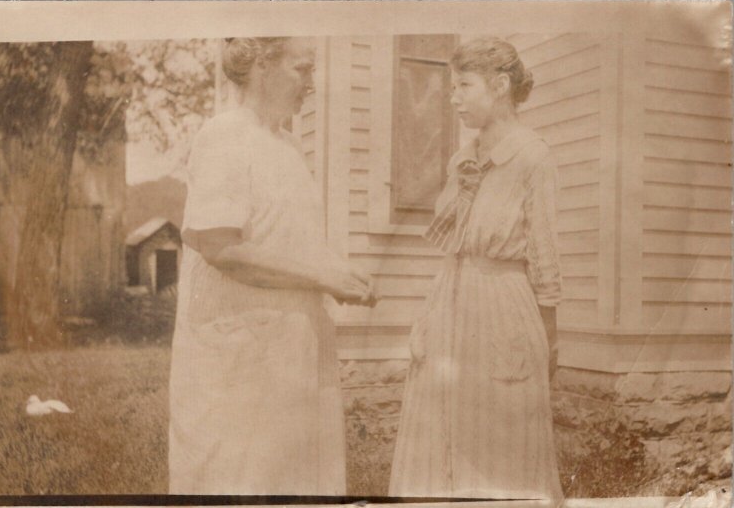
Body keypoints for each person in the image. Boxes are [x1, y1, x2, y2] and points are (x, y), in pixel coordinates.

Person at [168, 36, 375, 496]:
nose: (311, 85)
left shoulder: (284, 145)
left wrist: (338, 270)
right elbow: (221, 249)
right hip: (237, 351)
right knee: (240, 476)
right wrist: (324, 276)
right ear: (263, 65)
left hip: (290, 345)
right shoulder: (225, 136)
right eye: (302, 70)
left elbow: (286, 239)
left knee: (293, 474)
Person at [389, 36, 564, 503]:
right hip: (451, 299)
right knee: (444, 427)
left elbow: (544, 255)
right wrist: (427, 318)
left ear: (500, 85)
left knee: (499, 434)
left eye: (464, 85)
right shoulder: (460, 159)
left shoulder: (532, 157)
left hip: (503, 305)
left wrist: (548, 335)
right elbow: (451, 247)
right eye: (451, 86)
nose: (453, 97)